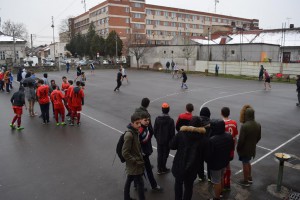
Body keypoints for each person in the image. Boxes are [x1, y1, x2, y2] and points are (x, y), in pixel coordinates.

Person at [170, 116, 207, 200]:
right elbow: (205, 155)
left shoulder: (181, 134)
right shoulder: (203, 138)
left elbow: (171, 145)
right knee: (189, 187)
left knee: (178, 184)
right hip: (193, 167)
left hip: (179, 164)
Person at [205, 120, 234, 200]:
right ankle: (221, 193)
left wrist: (208, 161)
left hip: (215, 164)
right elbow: (231, 147)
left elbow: (208, 154)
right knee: (221, 178)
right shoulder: (228, 136)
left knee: (216, 181)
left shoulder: (212, 140)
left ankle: (217, 198)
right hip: (224, 162)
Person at [122, 113, 145, 200]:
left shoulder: (135, 132)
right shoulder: (129, 135)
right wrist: (135, 160)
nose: (139, 125)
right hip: (135, 164)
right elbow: (125, 152)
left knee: (129, 179)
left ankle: (126, 198)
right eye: (137, 123)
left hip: (135, 163)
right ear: (132, 123)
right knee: (140, 183)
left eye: (140, 123)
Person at [137, 112, 163, 191]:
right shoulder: (140, 131)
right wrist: (142, 152)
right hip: (142, 154)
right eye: (145, 120)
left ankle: (137, 185)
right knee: (147, 170)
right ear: (140, 120)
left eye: (148, 120)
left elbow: (150, 134)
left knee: (139, 170)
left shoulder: (146, 127)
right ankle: (153, 185)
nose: (147, 121)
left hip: (145, 152)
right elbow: (137, 144)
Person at [237, 105, 261, 186]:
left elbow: (241, 140)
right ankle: (249, 177)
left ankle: (245, 180)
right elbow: (259, 137)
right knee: (248, 162)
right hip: (252, 148)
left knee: (245, 163)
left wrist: (238, 148)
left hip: (245, 149)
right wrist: (253, 143)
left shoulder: (245, 126)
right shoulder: (258, 124)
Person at [153, 102, 175, 175]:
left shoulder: (157, 119)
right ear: (168, 110)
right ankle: (163, 168)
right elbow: (172, 133)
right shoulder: (170, 120)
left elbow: (155, 130)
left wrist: (157, 138)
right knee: (165, 155)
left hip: (159, 140)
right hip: (167, 141)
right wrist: (171, 140)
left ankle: (159, 168)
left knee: (160, 154)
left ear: (162, 110)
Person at [221, 107, 238, 190]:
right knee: (228, 165)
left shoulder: (221, 124)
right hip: (231, 148)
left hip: (224, 149)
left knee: (223, 166)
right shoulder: (234, 123)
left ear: (221, 113)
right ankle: (228, 182)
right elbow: (236, 136)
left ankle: (224, 183)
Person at [198, 107, 211, 182]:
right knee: (209, 161)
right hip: (208, 144)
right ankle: (210, 177)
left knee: (200, 161)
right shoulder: (211, 122)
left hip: (199, 144)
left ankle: (201, 176)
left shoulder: (197, 121)